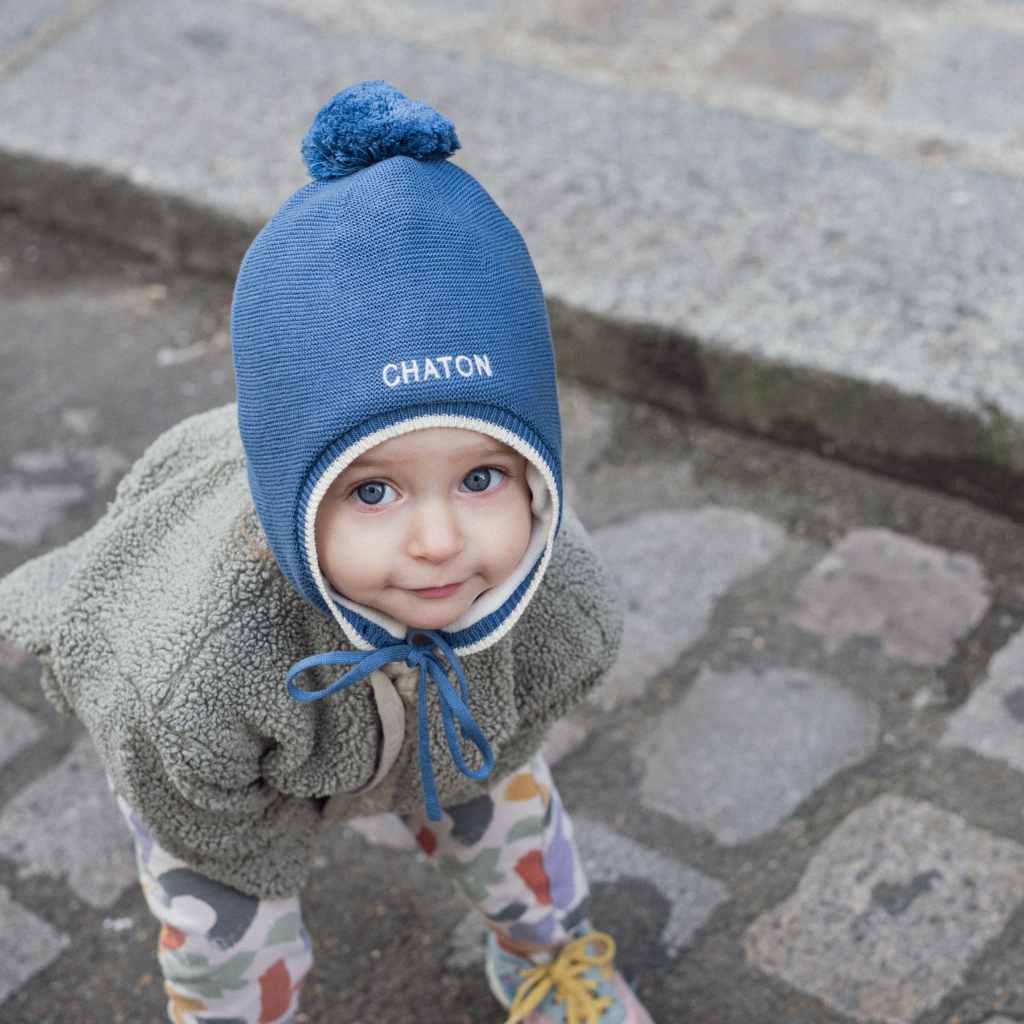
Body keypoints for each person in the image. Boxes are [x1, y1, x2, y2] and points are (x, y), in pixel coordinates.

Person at [0, 81, 655, 1023]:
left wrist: (447, 776)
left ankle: (548, 960)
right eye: (373, 490)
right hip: (222, 794)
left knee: (520, 832)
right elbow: (196, 806)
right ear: (296, 502)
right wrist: (267, 859)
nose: (439, 543)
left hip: (449, 729)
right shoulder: (196, 673)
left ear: (537, 480)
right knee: (230, 954)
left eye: (481, 479)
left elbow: (515, 731)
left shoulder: (566, 606)